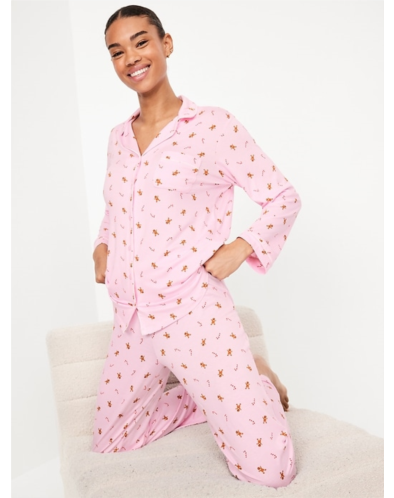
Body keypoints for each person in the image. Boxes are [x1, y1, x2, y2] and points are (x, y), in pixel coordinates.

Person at [91, 5, 302, 489]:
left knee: (269, 471)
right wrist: (102, 245)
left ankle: (253, 386)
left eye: (141, 42)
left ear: (166, 44)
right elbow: (118, 206)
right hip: (133, 315)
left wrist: (242, 246)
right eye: (117, 51)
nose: (131, 58)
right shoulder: (118, 138)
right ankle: (211, 393)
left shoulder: (213, 127)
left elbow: (283, 196)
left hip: (193, 310)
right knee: (112, 440)